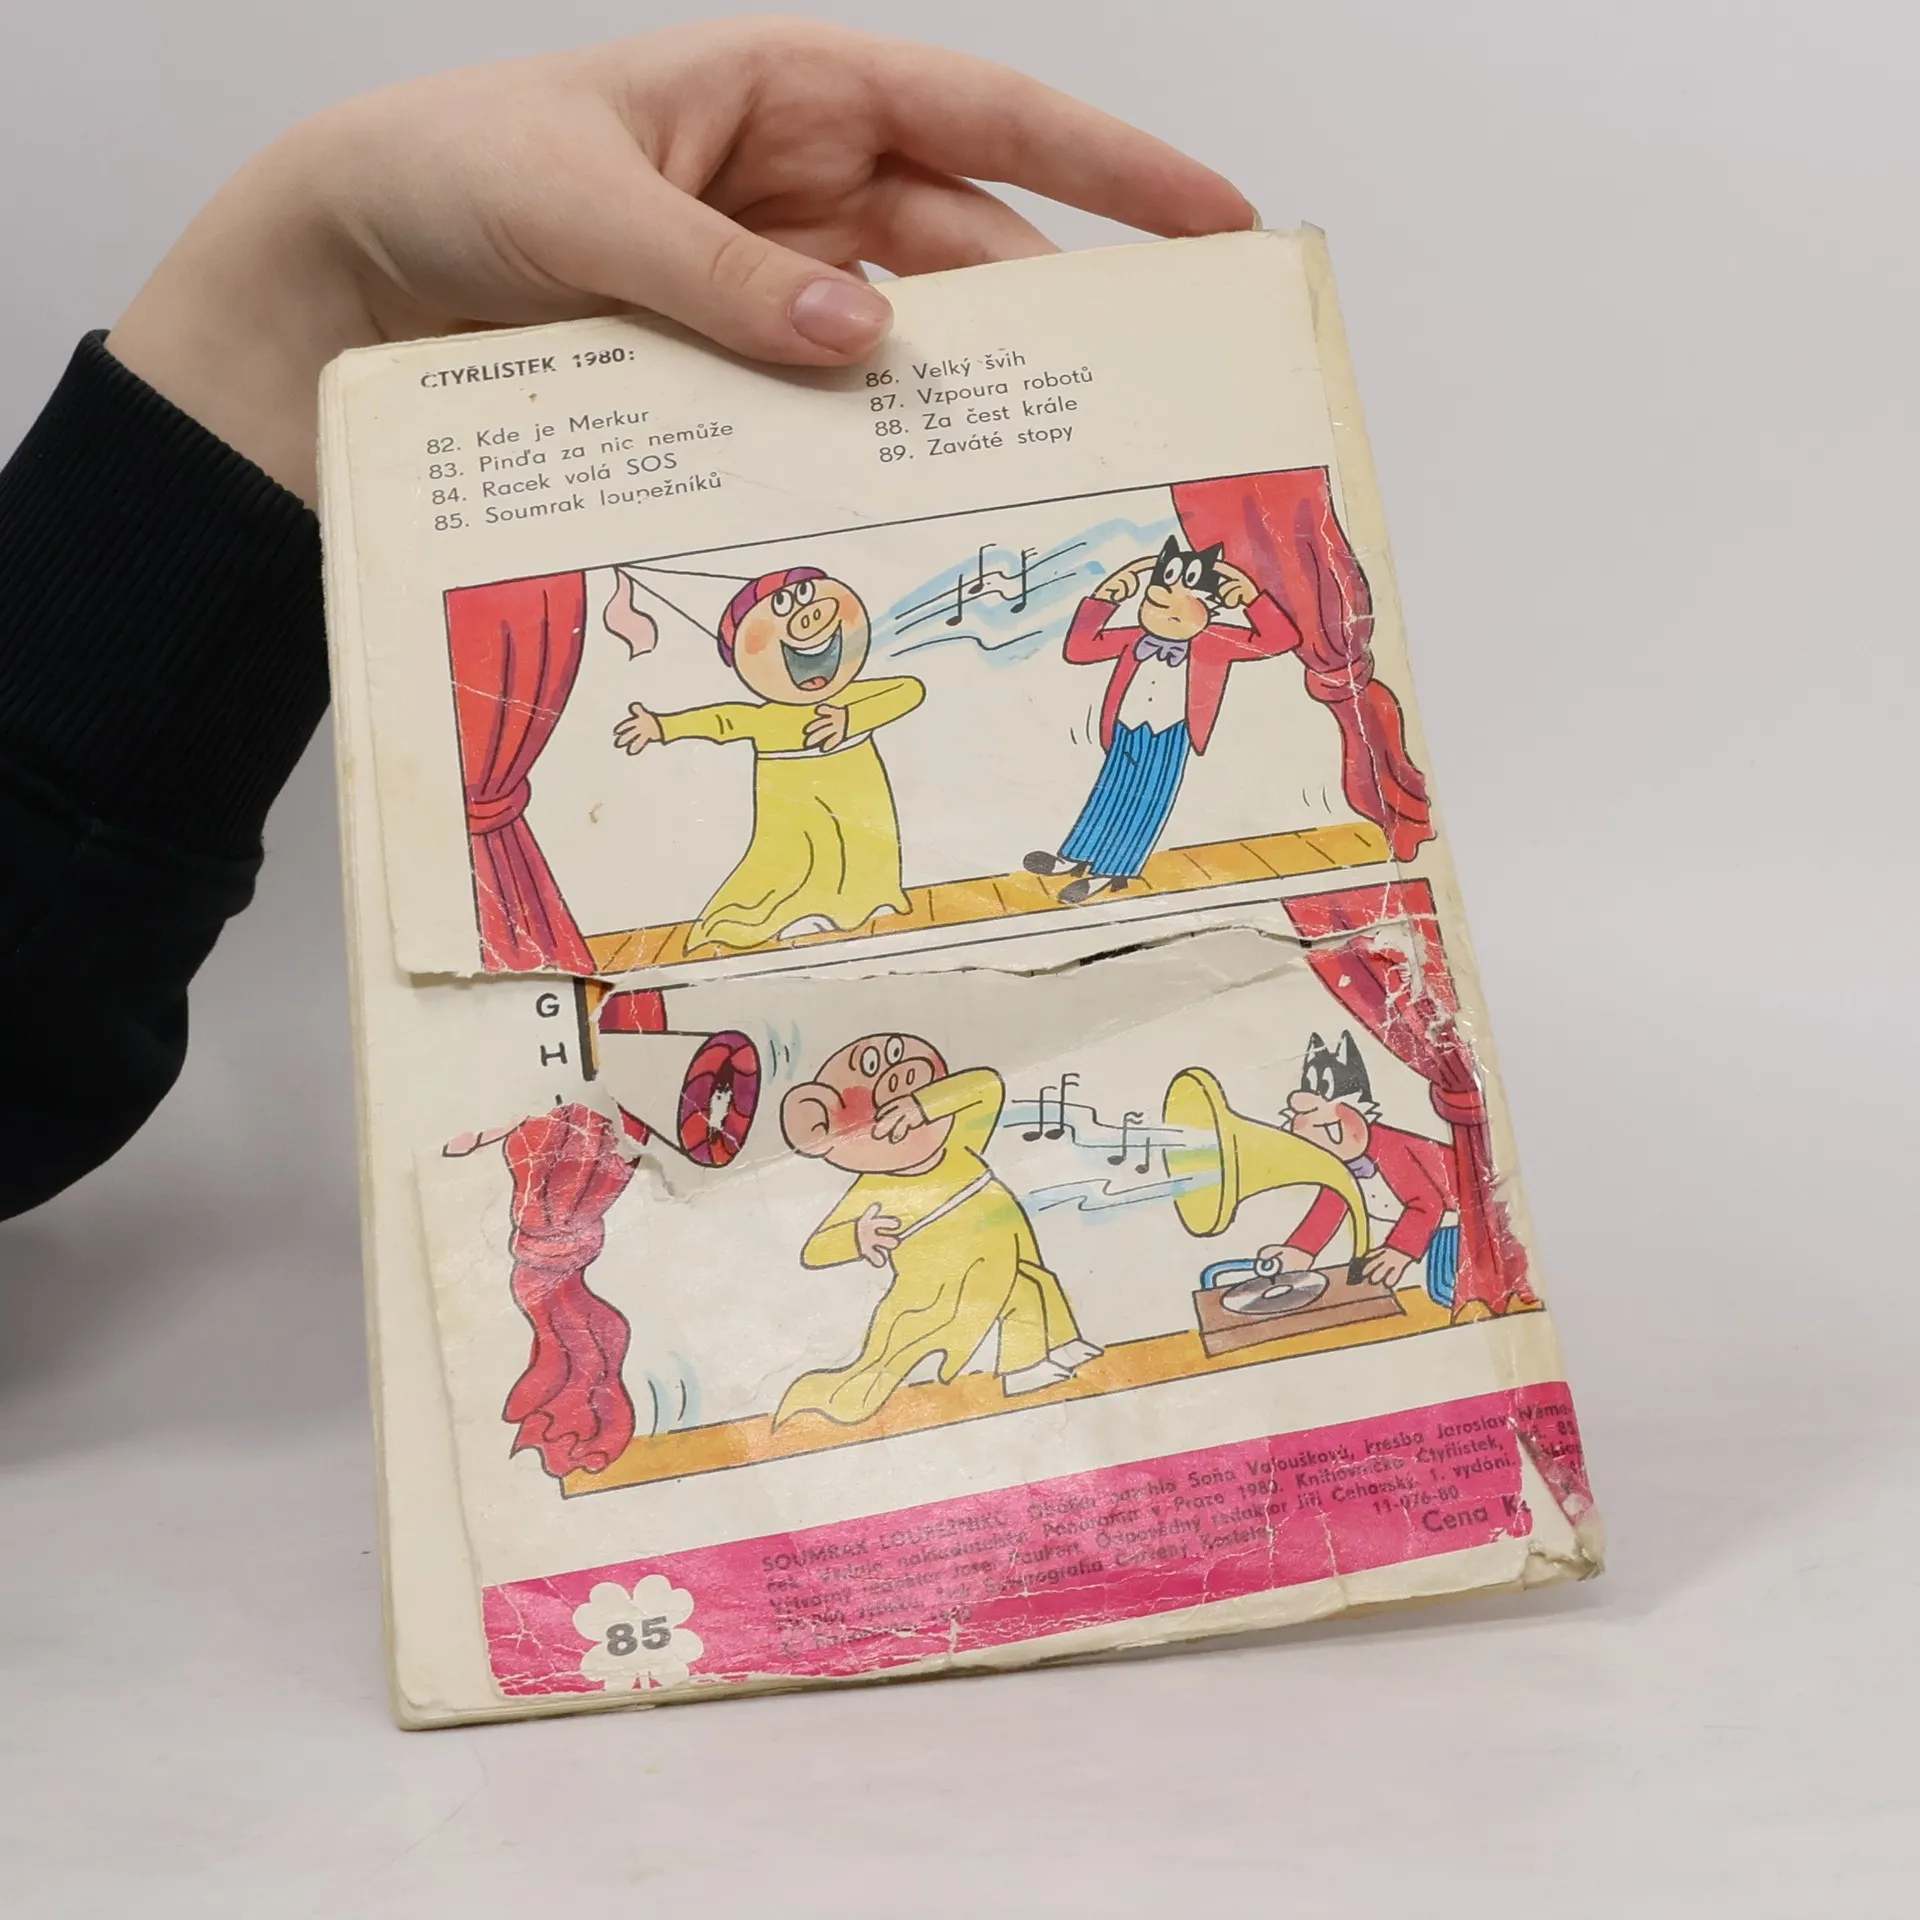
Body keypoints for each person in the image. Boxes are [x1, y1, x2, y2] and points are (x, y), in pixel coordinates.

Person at [0, 20, 1256, 1219]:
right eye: (784, 619)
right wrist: (321, 279)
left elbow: (904, 689)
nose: (810, 626)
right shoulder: (772, 714)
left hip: (900, 825)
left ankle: (1000, 885)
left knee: (952, 852)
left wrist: (319, 286)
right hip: (800, 829)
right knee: (767, 895)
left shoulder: (864, 693)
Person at [775, 1030, 1098, 1425]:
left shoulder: (959, 1140)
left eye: (897, 1055)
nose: (897, 1079)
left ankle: (1061, 1344)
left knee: (1036, 1282)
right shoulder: (874, 1191)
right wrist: (858, 1235)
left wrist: (924, 1105)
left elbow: (986, 1086)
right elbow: (816, 1249)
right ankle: (1024, 1368)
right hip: (941, 1285)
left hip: (1001, 1254)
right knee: (1021, 1292)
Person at [613, 568, 924, 950]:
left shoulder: (853, 698)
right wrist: (662, 726)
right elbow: (722, 720)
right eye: (780, 604)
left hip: (861, 797)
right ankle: (802, 910)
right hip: (797, 812)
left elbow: (909, 690)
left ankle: (870, 900)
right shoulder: (766, 718)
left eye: (807, 594)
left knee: (865, 845)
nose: (806, 616)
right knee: (802, 858)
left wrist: (851, 719)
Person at [1023, 534, 1298, 903]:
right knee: (1109, 791)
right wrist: (1106, 597)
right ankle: (1074, 856)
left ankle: (1111, 871)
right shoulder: (1135, 638)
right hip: (1126, 727)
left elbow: (1280, 640)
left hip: (1171, 733)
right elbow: (1079, 648)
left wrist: (1250, 596)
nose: (1163, 602)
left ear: (1210, 607)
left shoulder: (1216, 641)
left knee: (1146, 802)